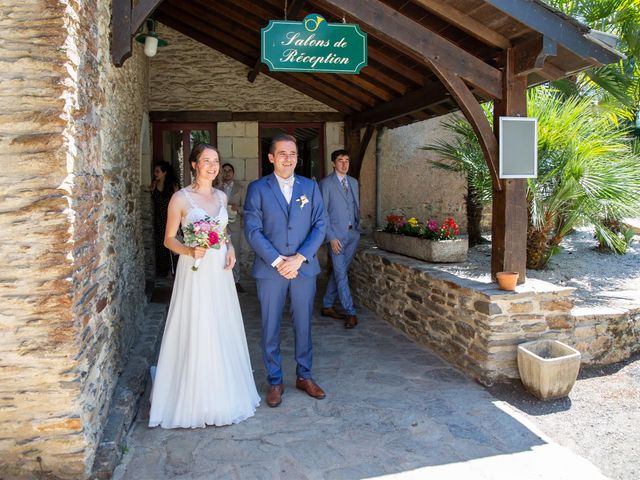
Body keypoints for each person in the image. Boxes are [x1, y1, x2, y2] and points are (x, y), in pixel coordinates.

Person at [149, 143, 260, 428]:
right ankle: (195, 399)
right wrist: (188, 251)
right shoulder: (180, 198)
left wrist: (231, 248)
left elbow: (222, 233)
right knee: (198, 325)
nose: (212, 165)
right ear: (194, 165)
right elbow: (169, 239)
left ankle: (224, 395)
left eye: (215, 161)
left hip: (220, 271)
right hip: (195, 270)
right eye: (206, 160)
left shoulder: (222, 197)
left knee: (221, 325)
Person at [244, 134, 327, 408]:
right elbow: (253, 230)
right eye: (282, 153)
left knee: (304, 324)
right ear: (271, 157)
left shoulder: (310, 187)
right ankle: (275, 380)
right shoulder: (258, 188)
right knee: (270, 326)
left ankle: (304, 376)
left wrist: (299, 258)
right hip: (271, 271)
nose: (288, 158)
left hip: (303, 269)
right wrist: (279, 262)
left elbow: (320, 225)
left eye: (292, 153)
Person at [319, 150, 361, 329]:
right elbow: (322, 213)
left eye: (347, 160)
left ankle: (327, 305)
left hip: (353, 235)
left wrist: (358, 230)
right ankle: (350, 312)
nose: (344, 164)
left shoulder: (353, 182)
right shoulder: (326, 184)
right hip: (336, 237)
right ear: (333, 163)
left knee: (339, 272)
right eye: (340, 161)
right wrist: (330, 237)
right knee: (341, 274)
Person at [218, 163, 246, 292]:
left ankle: (236, 281)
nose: (227, 173)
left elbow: (247, 208)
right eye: (225, 171)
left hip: (234, 226)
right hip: (219, 227)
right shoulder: (217, 189)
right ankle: (222, 281)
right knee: (219, 254)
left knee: (235, 253)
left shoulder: (240, 188)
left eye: (230, 170)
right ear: (221, 173)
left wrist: (237, 208)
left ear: (233, 173)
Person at [150, 161, 180, 277]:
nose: (155, 173)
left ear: (164, 173)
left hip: (171, 219)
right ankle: (163, 270)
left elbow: (178, 203)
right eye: (155, 171)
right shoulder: (154, 185)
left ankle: (172, 270)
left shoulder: (173, 186)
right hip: (159, 219)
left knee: (171, 244)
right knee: (161, 245)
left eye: (158, 171)